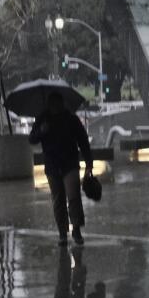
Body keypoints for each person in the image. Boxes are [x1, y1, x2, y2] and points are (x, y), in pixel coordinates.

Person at [29, 92, 93, 246]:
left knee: (73, 197)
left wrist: (88, 162)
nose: (56, 107)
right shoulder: (42, 119)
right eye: (53, 104)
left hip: (69, 164)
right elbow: (32, 139)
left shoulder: (71, 119)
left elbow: (83, 140)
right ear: (49, 104)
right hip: (52, 166)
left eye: (58, 103)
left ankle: (76, 229)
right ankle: (62, 233)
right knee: (58, 200)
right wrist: (41, 131)